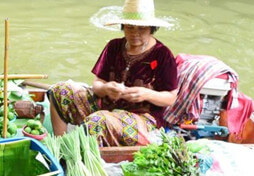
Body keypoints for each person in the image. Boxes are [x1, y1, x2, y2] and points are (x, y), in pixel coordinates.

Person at [48, 0, 178, 146]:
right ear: (123, 27)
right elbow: (97, 84)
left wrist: (146, 94)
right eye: (130, 27)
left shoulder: (162, 54)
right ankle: (60, 147)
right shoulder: (114, 46)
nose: (135, 33)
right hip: (105, 107)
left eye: (141, 28)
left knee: (99, 121)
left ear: (151, 28)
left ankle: (79, 156)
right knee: (60, 91)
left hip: (142, 120)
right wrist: (106, 88)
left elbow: (171, 98)